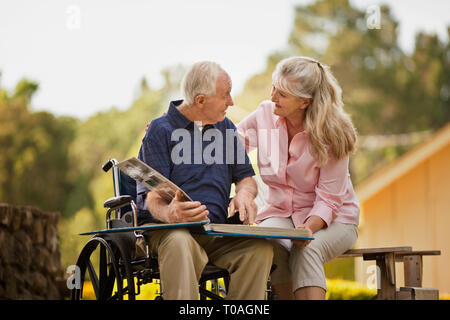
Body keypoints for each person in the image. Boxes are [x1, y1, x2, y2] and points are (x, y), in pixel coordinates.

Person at [136, 61, 273, 300]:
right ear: (200, 101)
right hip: (170, 231)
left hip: (216, 231)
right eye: (225, 95)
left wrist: (244, 194)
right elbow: (152, 198)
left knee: (259, 249)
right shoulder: (160, 130)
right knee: (179, 241)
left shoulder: (226, 128)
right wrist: (170, 214)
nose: (231, 102)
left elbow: (246, 178)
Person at [237, 56, 360, 300]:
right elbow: (228, 145)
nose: (272, 97)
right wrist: (176, 131)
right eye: (274, 87)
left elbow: (329, 200)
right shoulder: (264, 115)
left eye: (282, 94)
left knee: (307, 249)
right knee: (264, 242)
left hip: (335, 219)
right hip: (280, 213)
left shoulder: (334, 133)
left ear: (305, 101)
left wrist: (308, 228)